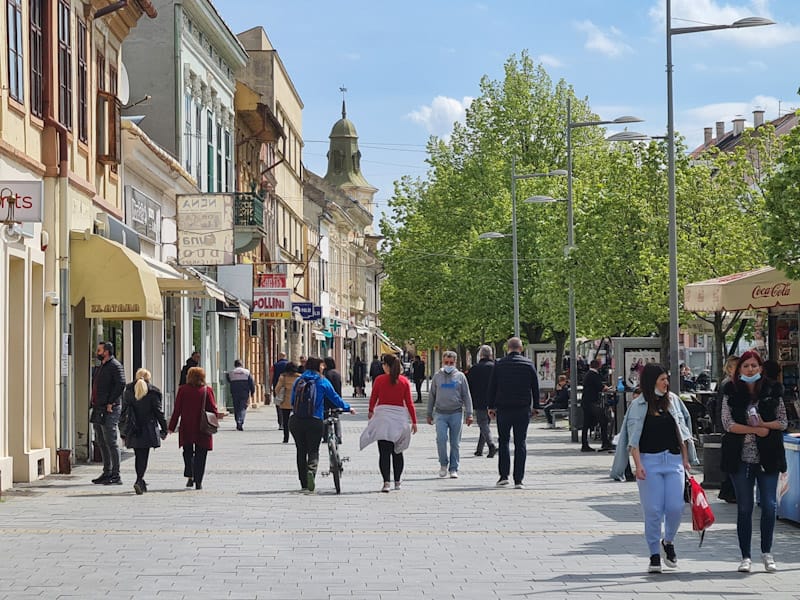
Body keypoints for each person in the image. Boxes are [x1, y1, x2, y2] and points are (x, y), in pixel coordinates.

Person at [610, 362, 693, 573]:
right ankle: (654, 554)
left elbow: (682, 431)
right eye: (663, 379)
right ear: (651, 381)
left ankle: (669, 541)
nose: (667, 383)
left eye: (667, 379)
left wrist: (685, 459)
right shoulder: (638, 405)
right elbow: (632, 439)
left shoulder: (673, 401)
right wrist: (637, 465)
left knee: (676, 507)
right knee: (653, 511)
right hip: (649, 461)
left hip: (673, 460)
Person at [720, 350, 787, 574]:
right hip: (741, 458)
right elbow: (728, 424)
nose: (750, 369)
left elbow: (783, 422)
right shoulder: (731, 392)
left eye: (754, 366)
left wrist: (765, 425)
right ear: (739, 370)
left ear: (760, 368)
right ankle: (745, 556)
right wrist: (754, 429)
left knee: (769, 505)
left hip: (768, 457)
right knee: (745, 507)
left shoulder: (772, 391)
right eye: (746, 366)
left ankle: (767, 552)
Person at [290, 357, 356, 493]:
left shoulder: (299, 380)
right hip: (315, 420)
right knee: (313, 450)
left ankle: (303, 483)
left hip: (296, 421)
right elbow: (334, 397)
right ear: (318, 367)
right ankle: (311, 473)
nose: (323, 367)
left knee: (301, 451)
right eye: (321, 365)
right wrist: (348, 407)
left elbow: (292, 400)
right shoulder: (322, 381)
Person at [487, 337, 540, 489]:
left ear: (507, 348)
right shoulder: (528, 364)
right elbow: (535, 387)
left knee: (503, 441)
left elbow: (492, 386)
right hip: (522, 409)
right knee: (520, 442)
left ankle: (503, 476)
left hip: (503, 408)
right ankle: (518, 479)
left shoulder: (500, 364)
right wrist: (535, 406)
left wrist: (491, 406)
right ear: (521, 349)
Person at [361, 354, 418, 492]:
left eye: (383, 364)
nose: (382, 366)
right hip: (399, 419)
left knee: (384, 452)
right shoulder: (404, 381)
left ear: (386, 366)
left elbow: (374, 397)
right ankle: (397, 482)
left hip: (383, 418)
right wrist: (414, 421)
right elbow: (409, 403)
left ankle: (386, 482)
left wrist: (370, 411)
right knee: (398, 452)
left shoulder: (379, 380)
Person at [168, 367, 223, 490]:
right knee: (201, 454)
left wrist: (171, 426)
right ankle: (198, 481)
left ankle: (190, 475)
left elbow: (177, 410)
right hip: (202, 426)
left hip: (187, 426)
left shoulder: (183, 390)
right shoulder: (207, 390)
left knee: (187, 452)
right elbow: (213, 410)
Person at [120, 368, 168, 495]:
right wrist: (164, 428)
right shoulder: (153, 392)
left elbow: (123, 411)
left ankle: (140, 479)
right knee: (144, 456)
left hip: (133, 428)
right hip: (148, 428)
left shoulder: (129, 391)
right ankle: (139, 479)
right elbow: (159, 412)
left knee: (138, 455)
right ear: (148, 379)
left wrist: (122, 429)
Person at [427, 351, 473, 479]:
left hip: (456, 413)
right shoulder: (437, 376)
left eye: (451, 363)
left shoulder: (460, 377)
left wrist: (469, 414)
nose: (448, 365)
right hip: (440, 413)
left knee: (455, 443)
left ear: (455, 363)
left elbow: (466, 396)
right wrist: (429, 413)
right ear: (442, 362)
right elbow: (432, 396)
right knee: (441, 439)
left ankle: (453, 468)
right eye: (446, 362)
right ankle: (443, 464)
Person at [90, 341, 126, 485]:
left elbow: (121, 384)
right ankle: (107, 472)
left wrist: (111, 402)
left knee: (111, 441)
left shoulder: (115, 366)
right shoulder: (102, 367)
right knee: (101, 441)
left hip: (110, 408)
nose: (97, 353)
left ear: (106, 351)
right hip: (98, 407)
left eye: (99, 350)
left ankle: (116, 475)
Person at [714, 355, 740, 503]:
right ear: (730, 368)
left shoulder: (729, 382)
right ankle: (729, 491)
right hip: (729, 429)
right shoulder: (728, 384)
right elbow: (722, 409)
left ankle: (729, 491)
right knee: (731, 460)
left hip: (728, 428)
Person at [467, 345, 497, 458]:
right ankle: (479, 449)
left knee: (483, 423)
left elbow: (468, 386)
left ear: (481, 355)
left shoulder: (474, 369)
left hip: (479, 400)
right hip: (494, 400)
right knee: (485, 424)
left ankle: (491, 445)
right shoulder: (495, 367)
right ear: (491, 355)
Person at [581, 359, 612, 452]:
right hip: (591, 402)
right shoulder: (594, 375)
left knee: (586, 423)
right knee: (603, 420)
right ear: (598, 366)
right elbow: (601, 387)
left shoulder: (588, 374)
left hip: (586, 402)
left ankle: (585, 444)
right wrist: (607, 388)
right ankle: (605, 442)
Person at [274, 363, 300, 443]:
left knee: (285, 421)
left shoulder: (283, 377)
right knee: (298, 421)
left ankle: (286, 438)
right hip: (297, 402)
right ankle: (298, 438)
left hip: (285, 402)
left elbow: (277, 389)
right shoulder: (299, 377)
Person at [226, 359, 255, 431]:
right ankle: (240, 421)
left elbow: (229, 380)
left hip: (235, 392)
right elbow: (251, 383)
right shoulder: (246, 372)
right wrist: (252, 392)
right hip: (244, 392)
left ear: (234, 365)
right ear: (242, 364)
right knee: (243, 407)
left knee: (236, 407)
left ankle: (237, 421)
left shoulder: (231, 373)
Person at [272, 352, 289, 429]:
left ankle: (280, 423)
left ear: (279, 356)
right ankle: (287, 421)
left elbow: (271, 375)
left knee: (278, 404)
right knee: (288, 404)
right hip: (288, 386)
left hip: (277, 387)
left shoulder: (275, 365)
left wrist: (270, 386)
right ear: (285, 356)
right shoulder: (289, 364)